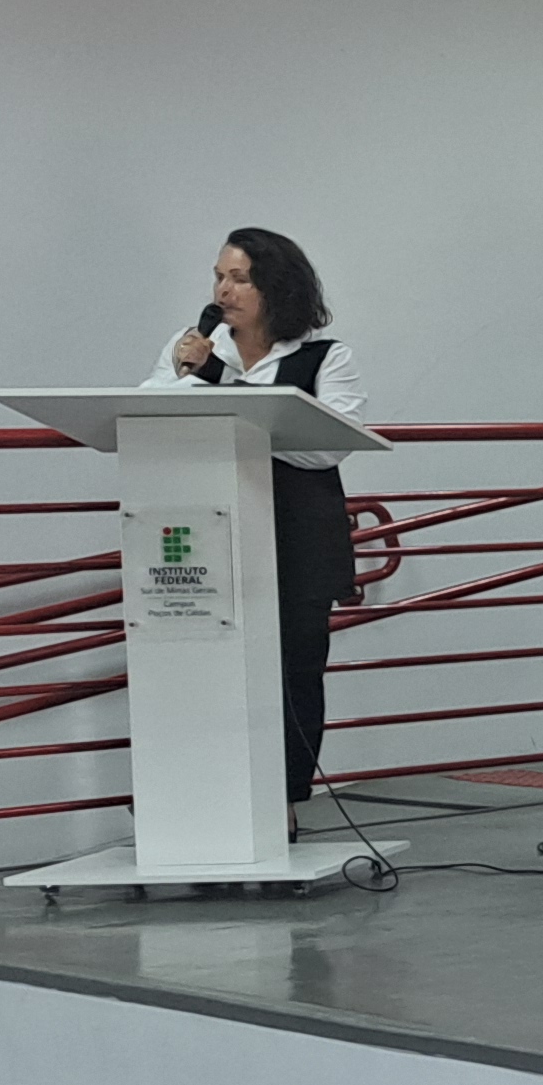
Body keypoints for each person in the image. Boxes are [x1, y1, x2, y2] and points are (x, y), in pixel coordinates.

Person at [145, 229, 366, 814]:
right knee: (205, 660)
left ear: (277, 287)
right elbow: (150, 411)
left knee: (294, 664)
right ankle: (205, 791)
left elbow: (326, 445)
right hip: (210, 529)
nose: (223, 290)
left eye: (239, 279)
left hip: (298, 533)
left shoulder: (325, 356)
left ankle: (283, 796)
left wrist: (228, 396)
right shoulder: (195, 347)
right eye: (219, 276)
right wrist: (191, 374)